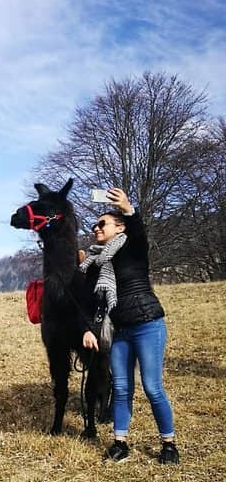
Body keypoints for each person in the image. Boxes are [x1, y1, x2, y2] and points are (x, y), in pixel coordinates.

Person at [80, 188, 179, 465]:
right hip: (121, 330)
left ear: (119, 227)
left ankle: (169, 444)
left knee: (152, 387)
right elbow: (91, 300)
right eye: (94, 225)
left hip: (147, 324)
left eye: (102, 223)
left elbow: (138, 231)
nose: (96, 228)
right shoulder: (97, 261)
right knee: (121, 388)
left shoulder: (132, 247)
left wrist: (127, 208)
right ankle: (120, 443)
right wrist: (87, 328)